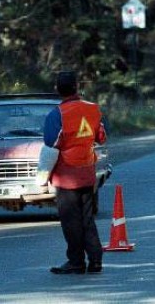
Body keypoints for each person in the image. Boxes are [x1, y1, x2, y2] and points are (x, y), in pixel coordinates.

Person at [44, 71, 107, 274]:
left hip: (66, 175)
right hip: (87, 171)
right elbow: (101, 137)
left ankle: (76, 261)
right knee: (87, 217)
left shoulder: (57, 114)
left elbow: (50, 143)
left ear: (57, 89)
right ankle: (95, 259)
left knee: (71, 220)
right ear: (77, 87)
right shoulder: (93, 109)